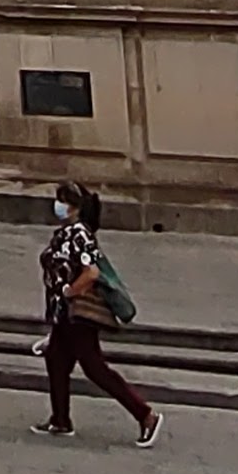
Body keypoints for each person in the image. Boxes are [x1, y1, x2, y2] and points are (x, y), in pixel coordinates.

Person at [38, 181, 160, 446]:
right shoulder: (66, 232)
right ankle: (60, 419)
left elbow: (91, 272)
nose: (58, 205)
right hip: (65, 314)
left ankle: (145, 415)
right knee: (56, 359)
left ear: (76, 208)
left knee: (95, 368)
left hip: (77, 313)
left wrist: (70, 291)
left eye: (64, 201)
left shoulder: (79, 234)